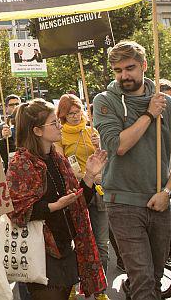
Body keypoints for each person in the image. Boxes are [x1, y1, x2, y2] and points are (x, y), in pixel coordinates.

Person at [92, 41, 171, 300]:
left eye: (130, 68)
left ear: (144, 66)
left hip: (159, 202)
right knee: (143, 277)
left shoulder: (167, 103)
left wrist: (167, 192)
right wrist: (148, 114)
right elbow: (118, 146)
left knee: (155, 277)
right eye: (117, 70)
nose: (124, 75)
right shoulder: (105, 100)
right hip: (122, 202)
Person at [7, 99, 107, 299]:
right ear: (37, 131)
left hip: (65, 246)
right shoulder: (21, 163)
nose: (60, 125)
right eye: (54, 123)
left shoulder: (57, 158)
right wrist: (54, 206)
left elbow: (77, 203)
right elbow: (16, 211)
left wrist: (88, 177)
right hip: (40, 253)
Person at [54, 94, 109, 300]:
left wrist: (99, 143)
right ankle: (73, 286)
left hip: (99, 189)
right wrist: (85, 175)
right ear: (63, 116)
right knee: (77, 242)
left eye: (77, 112)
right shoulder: (59, 136)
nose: (75, 116)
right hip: (75, 192)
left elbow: (105, 158)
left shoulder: (91, 131)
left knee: (101, 243)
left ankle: (100, 289)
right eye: (70, 114)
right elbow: (62, 164)